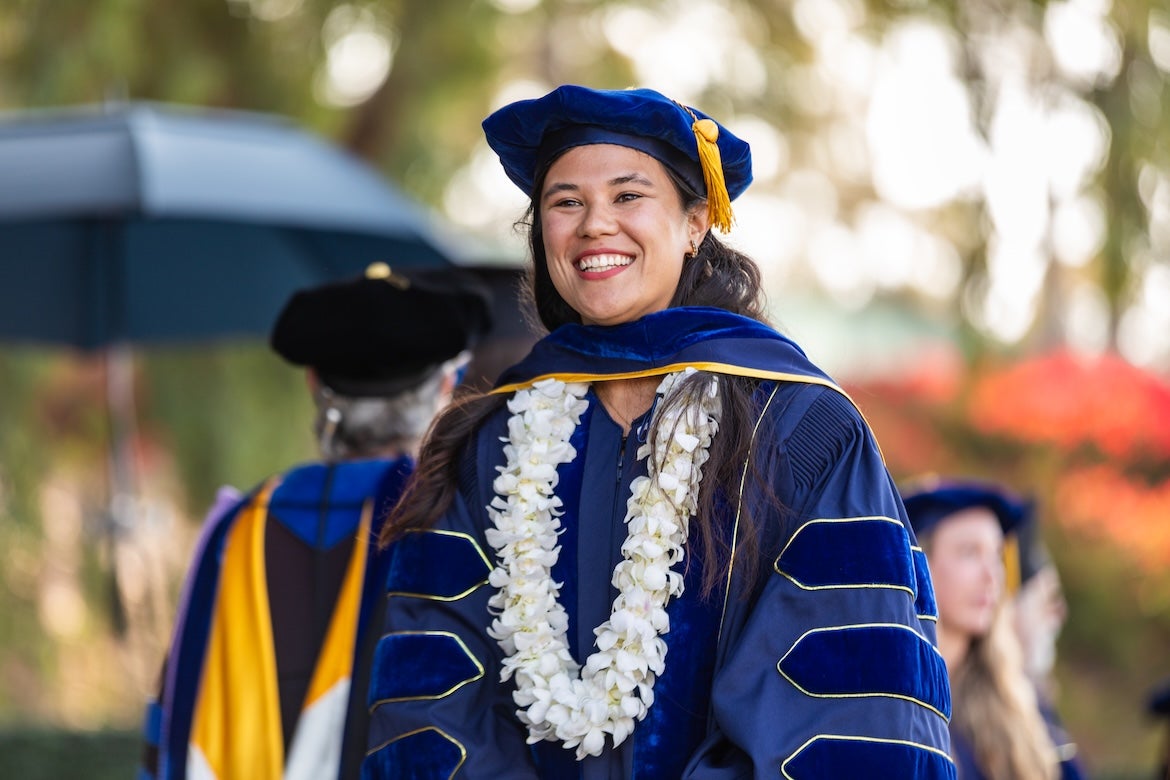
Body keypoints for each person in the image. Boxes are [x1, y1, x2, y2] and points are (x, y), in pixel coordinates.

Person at [362, 84, 954, 779]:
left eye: (627, 196)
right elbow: (433, 696)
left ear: (695, 223)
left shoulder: (798, 426)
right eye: (565, 202)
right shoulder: (490, 442)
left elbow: (847, 702)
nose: (595, 225)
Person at [139, 262, 492, 780]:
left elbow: (173, 717)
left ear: (313, 384)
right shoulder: (453, 520)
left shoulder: (236, 528)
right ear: (446, 384)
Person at [903, 478, 1063, 780]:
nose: (991, 575)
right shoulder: (889, 699)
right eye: (969, 553)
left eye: (997, 556)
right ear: (919, 565)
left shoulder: (1014, 705)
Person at [1010, 504, 1087, 779]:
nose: (1059, 613)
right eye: (1048, 598)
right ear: (1009, 608)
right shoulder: (985, 720)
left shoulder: (1040, 712)